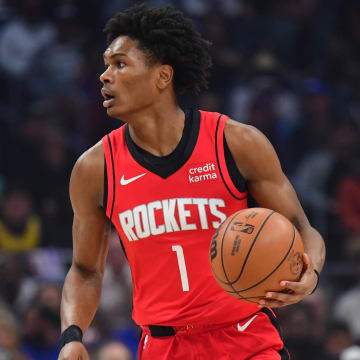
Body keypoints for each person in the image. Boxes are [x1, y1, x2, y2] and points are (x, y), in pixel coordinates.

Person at [58, 4, 325, 360]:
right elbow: (85, 270)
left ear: (162, 77)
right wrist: (72, 335)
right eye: (106, 65)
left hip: (246, 337)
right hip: (163, 346)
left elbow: (301, 228)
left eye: (120, 64)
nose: (105, 76)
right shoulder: (95, 168)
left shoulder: (235, 142)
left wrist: (312, 274)